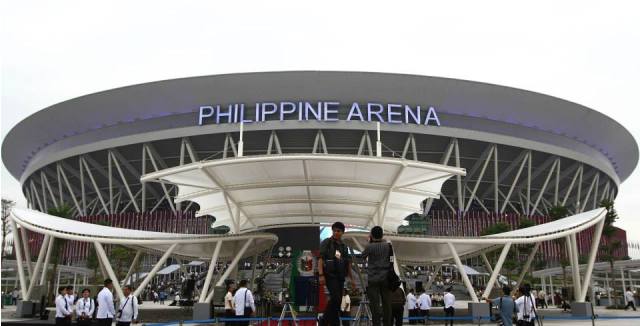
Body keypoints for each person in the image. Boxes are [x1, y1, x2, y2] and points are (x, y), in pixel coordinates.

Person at [319, 221, 356, 326]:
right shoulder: (327, 242)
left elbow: (347, 263)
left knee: (338, 302)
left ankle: (333, 322)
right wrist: (321, 275)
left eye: (338, 231)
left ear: (342, 232)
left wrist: (352, 279)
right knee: (336, 299)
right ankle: (324, 320)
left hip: (340, 277)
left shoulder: (344, 246)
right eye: (334, 230)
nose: (336, 232)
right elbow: (320, 259)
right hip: (330, 276)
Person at [361, 226, 392, 326]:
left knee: (375, 306)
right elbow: (391, 259)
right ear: (382, 234)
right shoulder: (388, 246)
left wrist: (369, 242)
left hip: (373, 279)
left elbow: (362, 256)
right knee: (387, 304)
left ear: (372, 235)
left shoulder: (370, 246)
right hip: (386, 278)